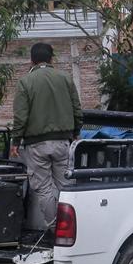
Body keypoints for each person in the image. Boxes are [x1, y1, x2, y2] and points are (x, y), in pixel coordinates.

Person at [11, 42, 83, 231]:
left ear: (32, 60)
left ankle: (54, 230)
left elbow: (20, 116)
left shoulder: (25, 82)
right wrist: (76, 132)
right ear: (52, 59)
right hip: (62, 143)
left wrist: (16, 140)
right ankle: (73, 229)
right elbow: (77, 109)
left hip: (36, 145)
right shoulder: (66, 78)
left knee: (44, 189)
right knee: (66, 187)